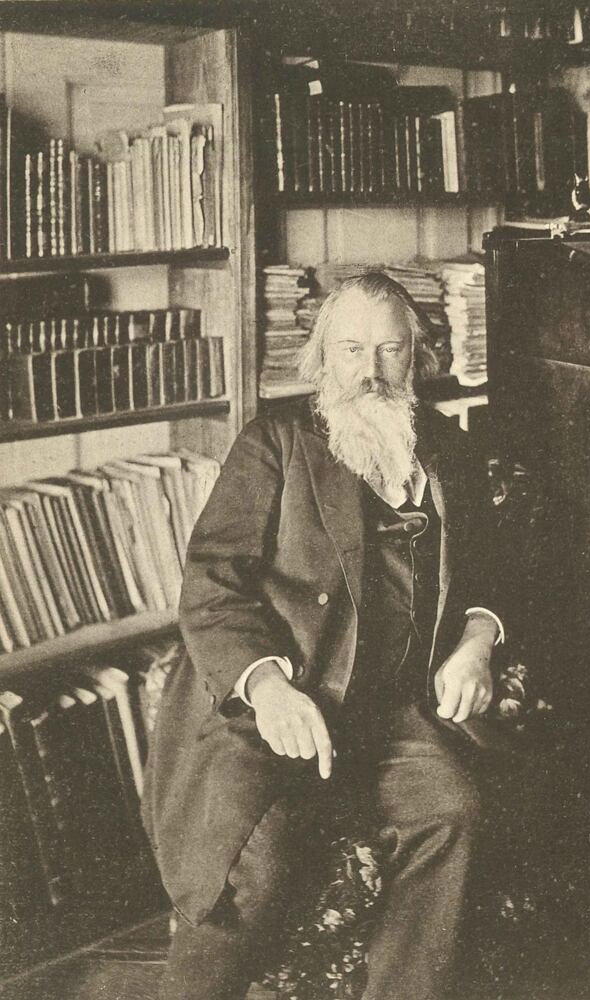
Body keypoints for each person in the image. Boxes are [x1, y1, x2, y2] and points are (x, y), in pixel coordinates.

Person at [143, 272, 516, 1000]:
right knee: (255, 855)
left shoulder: (448, 449)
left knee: (452, 811)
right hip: (276, 708)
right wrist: (267, 686)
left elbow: (493, 573)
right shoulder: (275, 443)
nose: (370, 370)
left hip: (390, 713)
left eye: (389, 349)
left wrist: (477, 639)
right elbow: (211, 584)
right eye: (350, 349)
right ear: (320, 358)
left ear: (417, 356)